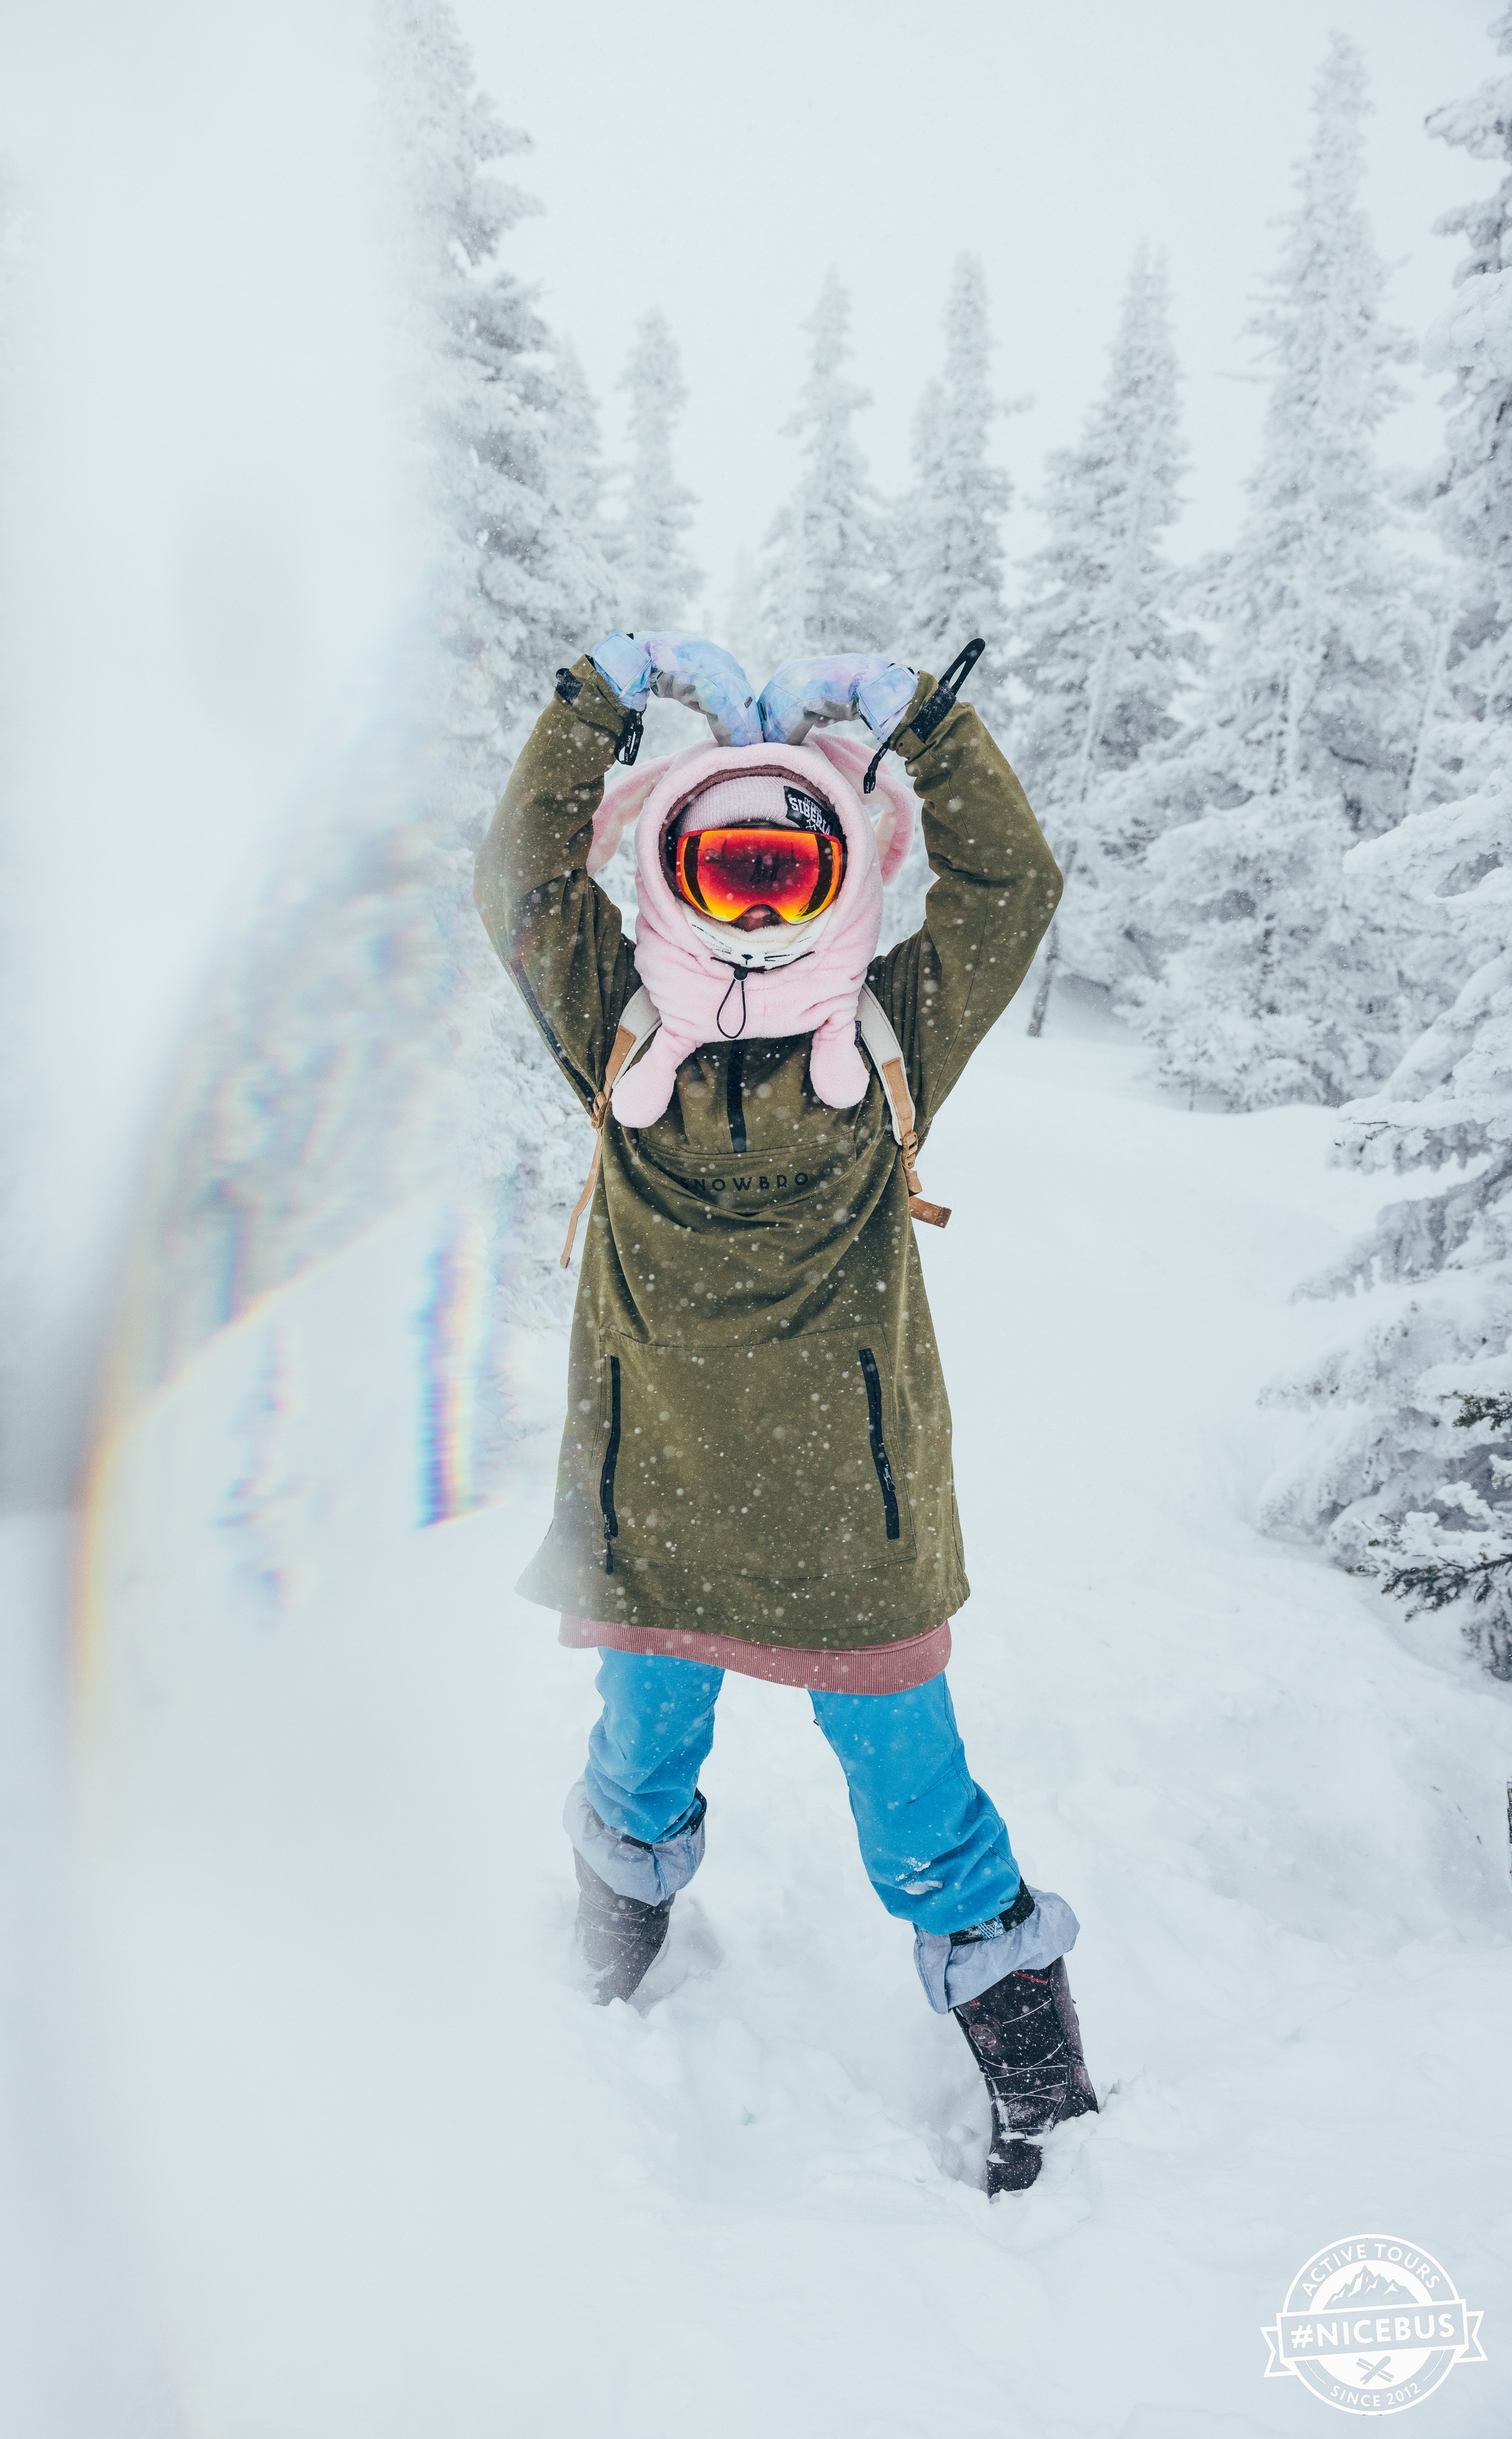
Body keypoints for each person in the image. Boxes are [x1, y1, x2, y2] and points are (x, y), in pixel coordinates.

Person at [473, 631, 1097, 2196]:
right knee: (632, 1769)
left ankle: (1048, 2097)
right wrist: (590, 710)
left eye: (788, 876)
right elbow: (522, 883)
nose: (755, 911)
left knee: (923, 1814)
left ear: (844, 880)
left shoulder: (888, 1028)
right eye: (726, 871)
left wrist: (927, 729)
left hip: (840, 1520)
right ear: (669, 868)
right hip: (662, 1502)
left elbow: (1012, 888)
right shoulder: (616, 1018)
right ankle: (597, 1984)